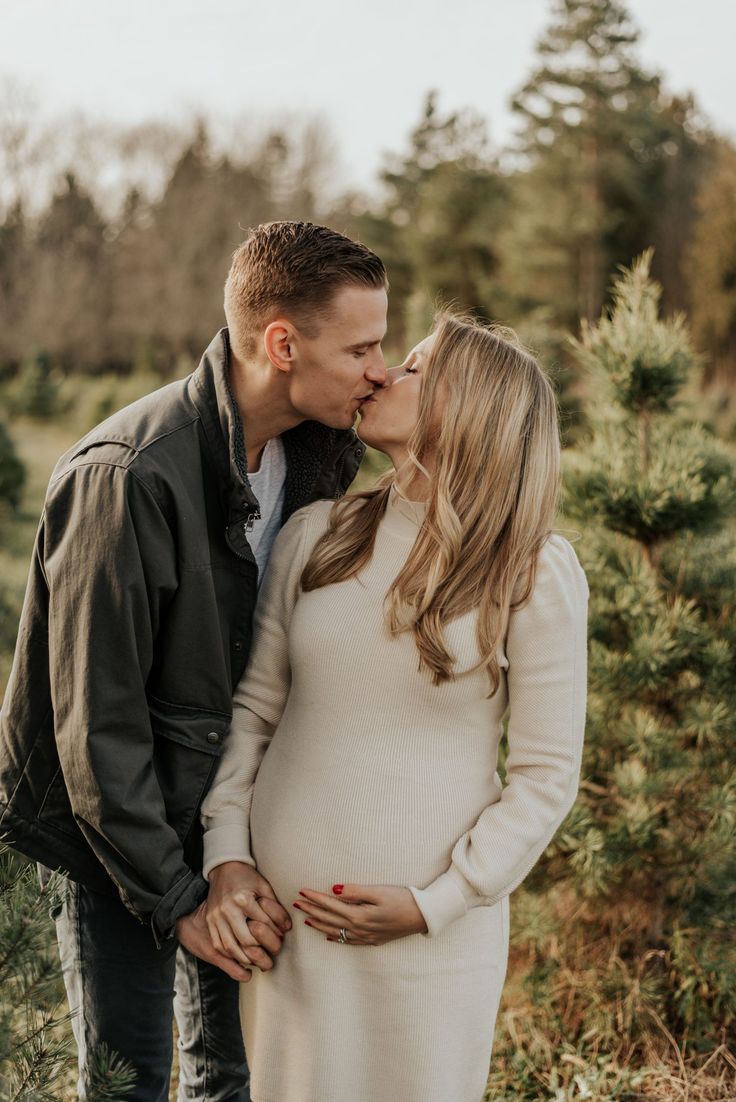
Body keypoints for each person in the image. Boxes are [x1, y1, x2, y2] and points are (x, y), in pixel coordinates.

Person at [0, 221, 388, 1101]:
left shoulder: (320, 458)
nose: (379, 368)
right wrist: (179, 898)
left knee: (232, 1081)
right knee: (128, 1085)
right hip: (117, 842)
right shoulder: (128, 475)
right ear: (282, 343)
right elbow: (94, 731)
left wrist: (230, 851)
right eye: (362, 346)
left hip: (234, 830)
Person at [200, 313, 589, 1102]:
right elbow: (253, 717)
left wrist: (431, 904)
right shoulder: (318, 536)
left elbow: (546, 777)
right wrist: (228, 858)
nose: (379, 375)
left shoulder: (531, 570)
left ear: (468, 405)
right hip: (288, 939)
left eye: (412, 367)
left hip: (430, 947)